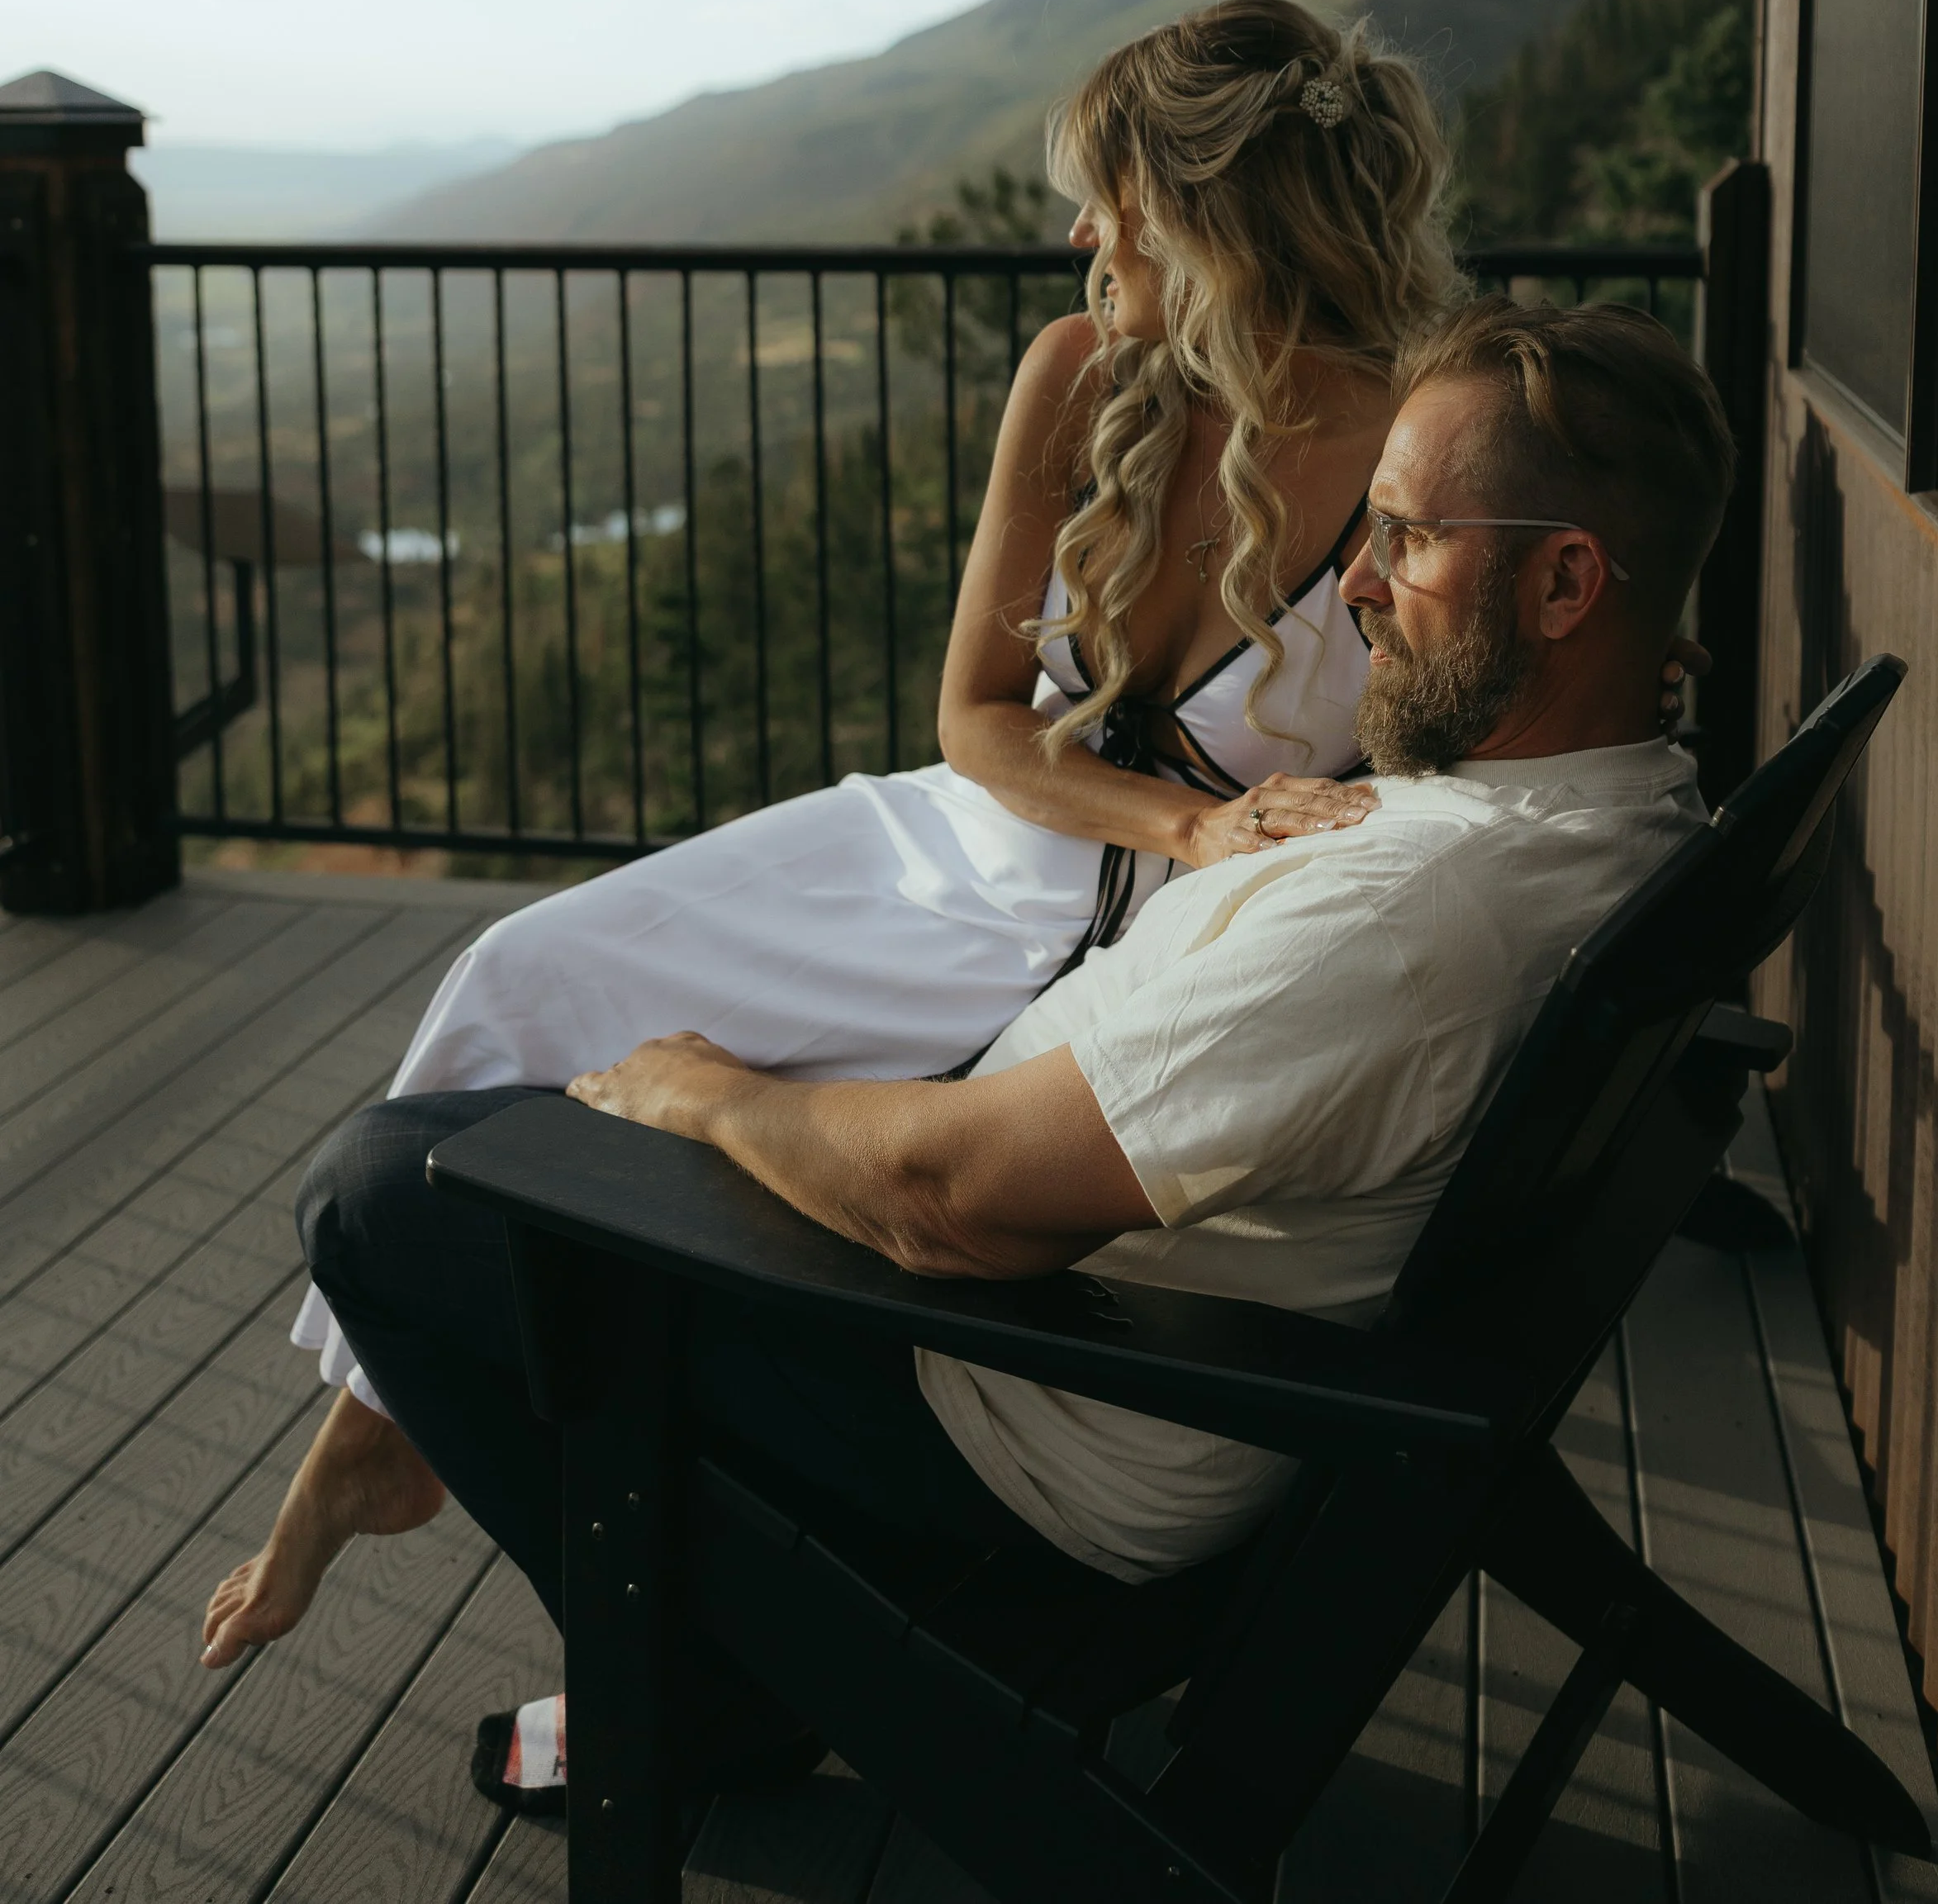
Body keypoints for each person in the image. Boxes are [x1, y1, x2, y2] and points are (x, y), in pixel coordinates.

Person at [259, 294, 1735, 1821]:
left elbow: (946, 1203)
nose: (1355, 579)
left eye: (1412, 539)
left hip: (1024, 1406)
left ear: (1567, 581)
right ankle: (703, 1680)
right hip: (1113, 1350)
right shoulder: (1620, 814)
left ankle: (691, 1692)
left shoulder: (1427, 912)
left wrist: (705, 1093)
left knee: (389, 1185)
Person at [202, 0, 1459, 1669]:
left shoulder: (1404, 442)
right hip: (966, 846)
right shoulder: (1081, 374)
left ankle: (684, 1620)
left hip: (1138, 951)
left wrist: (1248, 861)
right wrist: (1185, 815)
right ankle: (371, 1432)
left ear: (1200, 205)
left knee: (717, 1151)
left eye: (1109, 193)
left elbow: (1430, 775)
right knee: (523, 962)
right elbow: (975, 721)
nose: (1080, 233)